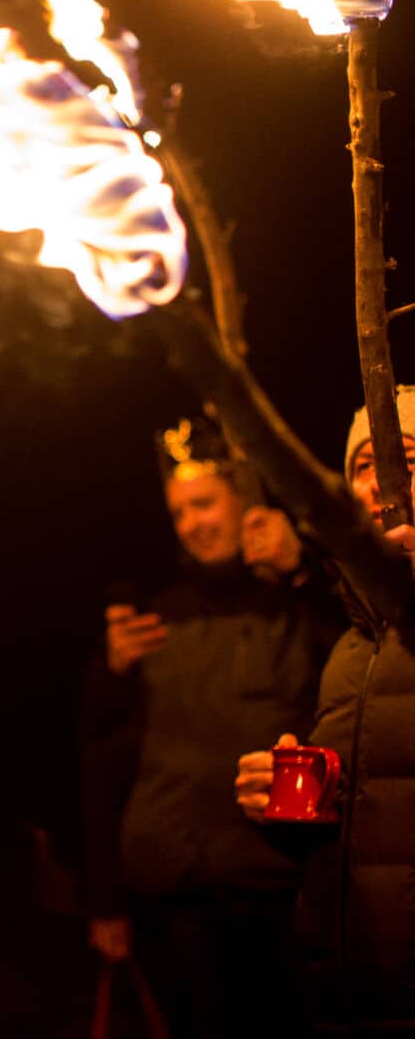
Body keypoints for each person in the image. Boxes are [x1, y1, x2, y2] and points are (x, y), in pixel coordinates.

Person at [79, 417, 339, 1038]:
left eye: (204, 504)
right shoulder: (155, 622)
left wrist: (305, 564)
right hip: (170, 894)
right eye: (179, 512)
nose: (191, 524)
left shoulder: (305, 602)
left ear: (247, 502)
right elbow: (104, 755)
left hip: (278, 895)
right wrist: (104, 897)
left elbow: (370, 662)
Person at [235, 386, 415, 1035]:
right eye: (362, 466)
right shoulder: (351, 645)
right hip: (343, 997)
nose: (378, 483)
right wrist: (288, 813)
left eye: (406, 460)